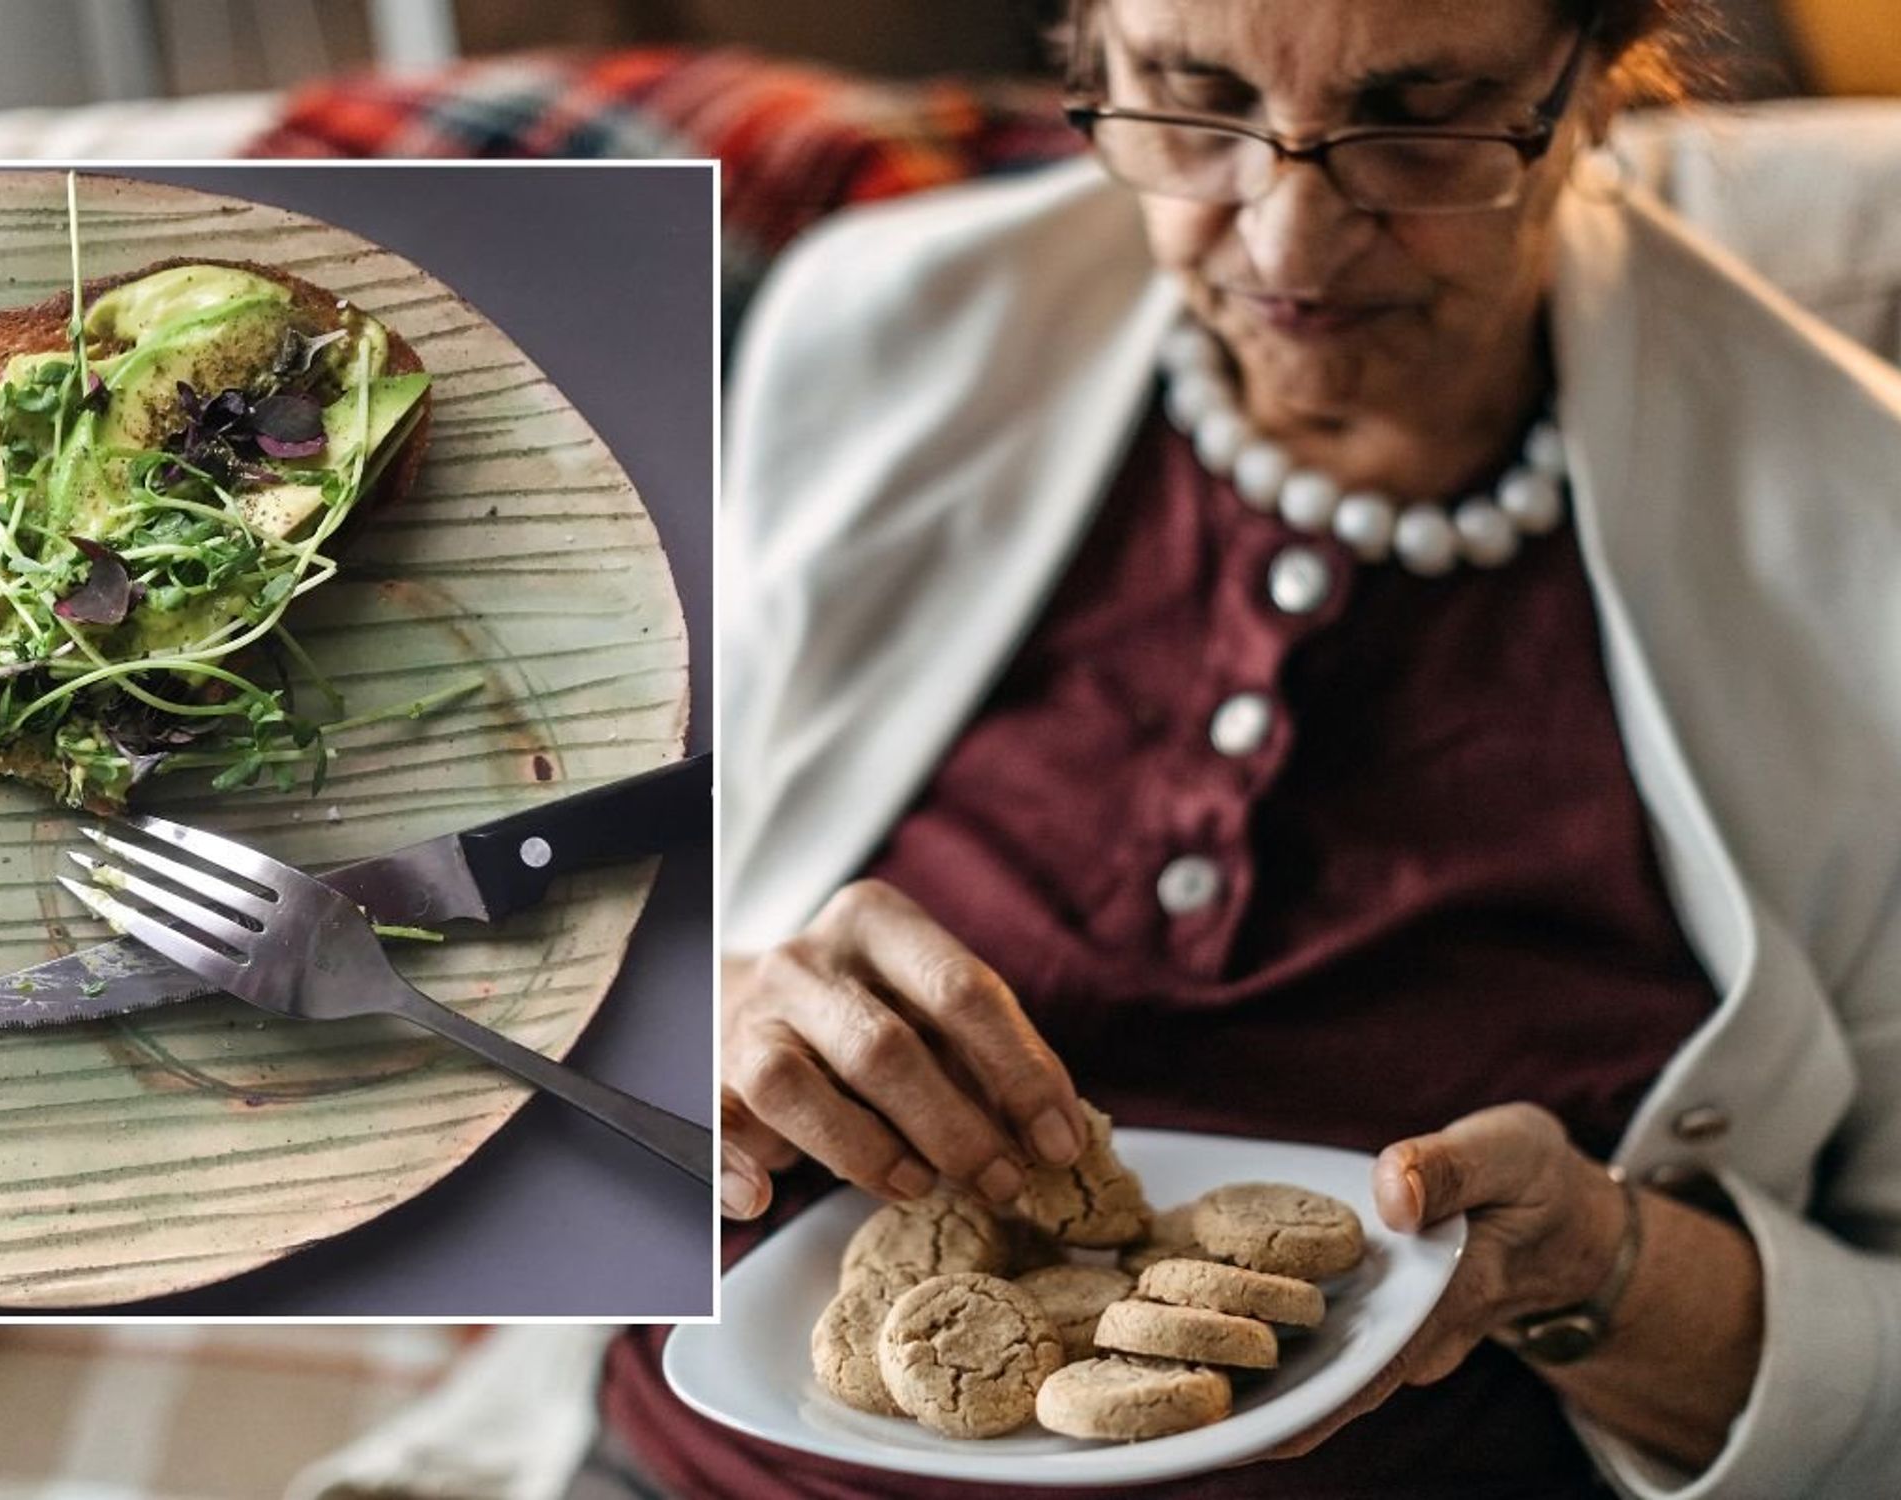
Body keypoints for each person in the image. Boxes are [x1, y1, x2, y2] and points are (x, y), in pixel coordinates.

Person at [604, 0, 1901, 1494]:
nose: (1287, 247)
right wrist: (697, 1008)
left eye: (1420, 121)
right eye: (1193, 98)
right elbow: (581, 952)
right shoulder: (875, 332)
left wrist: (1603, 1271)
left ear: (1597, 78)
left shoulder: (1857, 534)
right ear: (1087, 55)